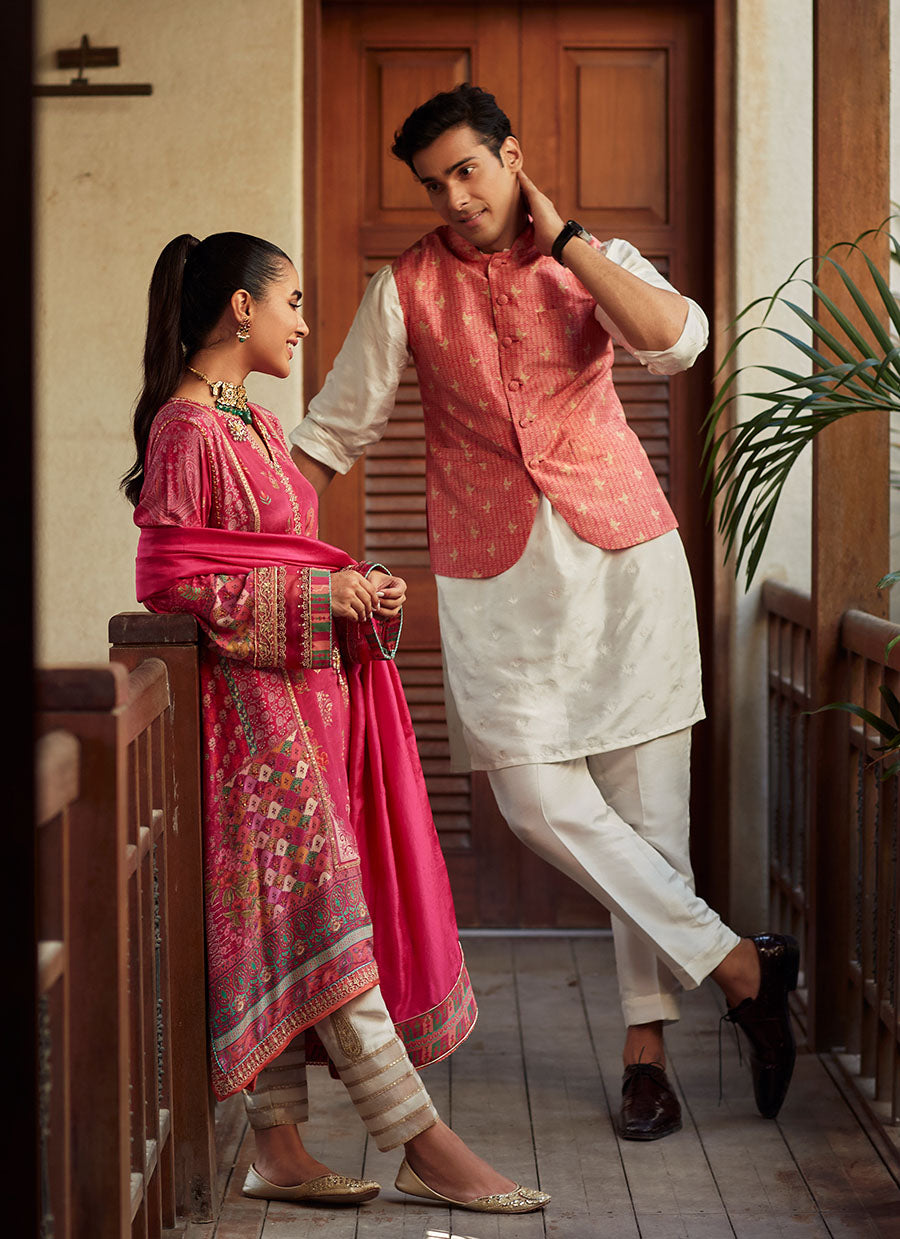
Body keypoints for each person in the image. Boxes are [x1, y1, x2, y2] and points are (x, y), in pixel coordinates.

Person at [289, 84, 799, 1141]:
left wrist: (567, 240)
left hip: (627, 565)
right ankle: (743, 967)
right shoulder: (407, 286)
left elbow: (678, 341)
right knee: (533, 797)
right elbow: (333, 428)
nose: (455, 195)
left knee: (651, 823)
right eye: (435, 183)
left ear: (511, 157)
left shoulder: (592, 255)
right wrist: (237, 528)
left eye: (470, 169)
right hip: (495, 581)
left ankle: (645, 1056)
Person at [122, 230, 550, 1214]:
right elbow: (173, 585)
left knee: (293, 924)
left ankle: (276, 1147)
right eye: (294, 302)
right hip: (249, 731)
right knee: (322, 917)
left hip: (305, 713)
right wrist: (317, 603)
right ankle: (421, 1140)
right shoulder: (187, 433)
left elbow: (278, 558)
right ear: (240, 308)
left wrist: (352, 586)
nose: (303, 322)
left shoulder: (259, 429)